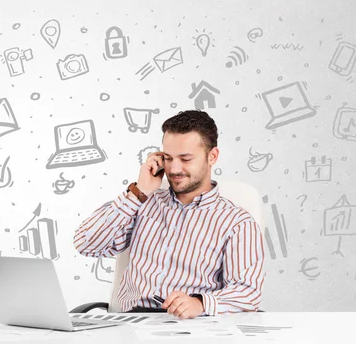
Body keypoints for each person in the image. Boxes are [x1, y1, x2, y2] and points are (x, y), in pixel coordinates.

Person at [73, 110, 264, 319]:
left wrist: (201, 303)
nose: (174, 169)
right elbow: (86, 244)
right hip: (133, 323)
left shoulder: (237, 222)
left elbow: (248, 293)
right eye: (168, 158)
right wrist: (139, 191)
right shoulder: (143, 202)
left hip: (193, 326)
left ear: (212, 156)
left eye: (185, 158)